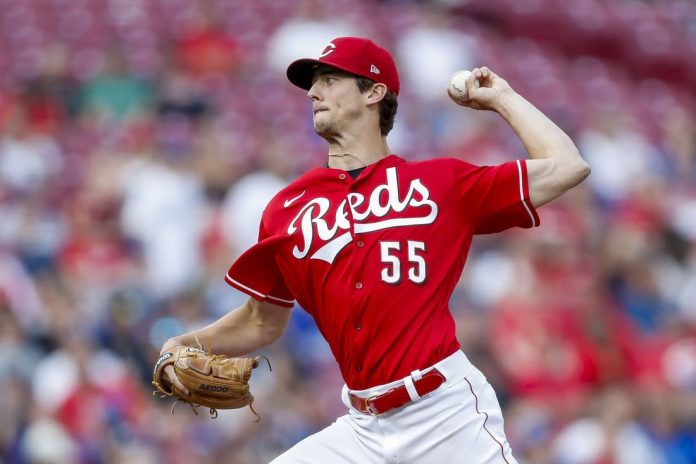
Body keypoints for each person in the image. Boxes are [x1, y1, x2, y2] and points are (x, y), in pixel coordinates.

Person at [158, 36, 590, 463]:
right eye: (313, 83)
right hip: (362, 429)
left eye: (329, 80)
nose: (313, 92)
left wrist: (502, 99)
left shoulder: (439, 184)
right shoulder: (287, 208)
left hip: (445, 416)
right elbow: (260, 320)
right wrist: (185, 341)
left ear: (374, 92)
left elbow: (567, 166)